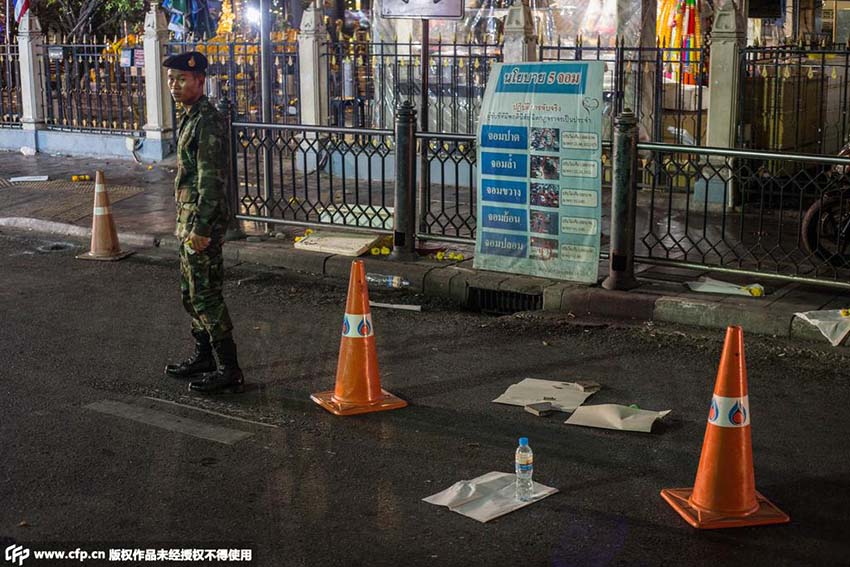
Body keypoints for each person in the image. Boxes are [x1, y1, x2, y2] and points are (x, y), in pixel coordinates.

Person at [162, 51, 245, 394]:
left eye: (182, 79)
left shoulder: (207, 120)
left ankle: (229, 369)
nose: (174, 85)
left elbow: (212, 181)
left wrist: (201, 228)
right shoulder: (190, 116)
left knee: (206, 295)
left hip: (201, 224)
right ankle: (205, 357)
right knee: (190, 293)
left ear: (200, 80)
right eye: (171, 79)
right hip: (188, 220)